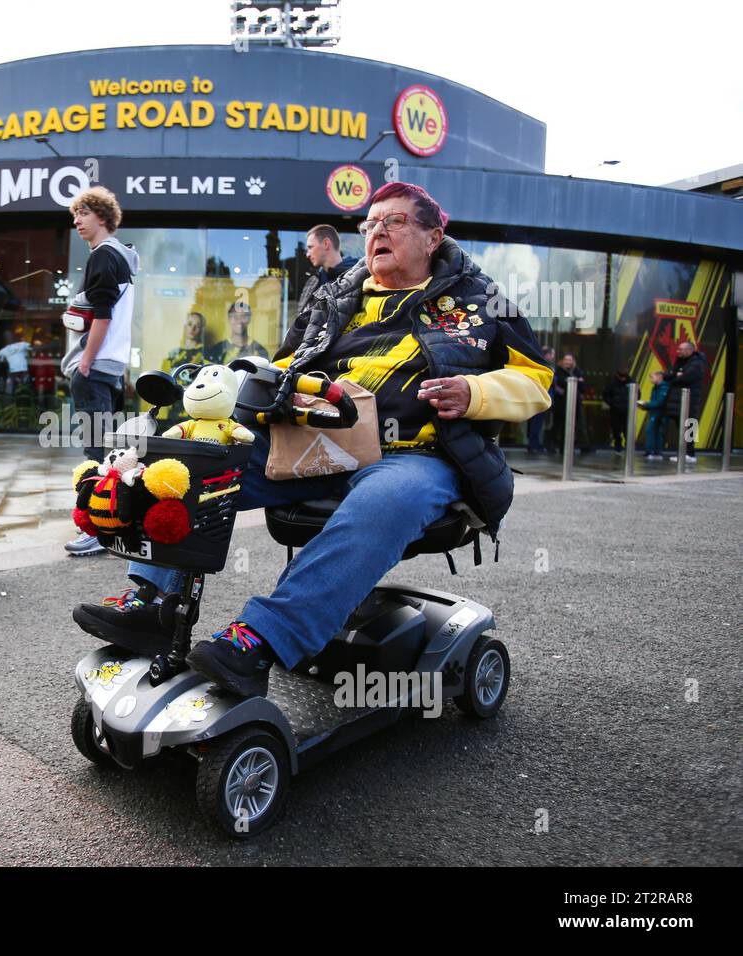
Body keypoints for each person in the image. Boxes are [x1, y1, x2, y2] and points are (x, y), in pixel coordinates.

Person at [75, 182, 552, 697]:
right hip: (319, 441)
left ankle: (260, 638)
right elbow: (283, 366)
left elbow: (537, 379)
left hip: (418, 451)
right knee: (200, 457)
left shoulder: (483, 298)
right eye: (370, 225)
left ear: (434, 236)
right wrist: (267, 395)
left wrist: (474, 392)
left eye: (393, 222)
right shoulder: (337, 295)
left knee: (384, 501)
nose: (377, 233)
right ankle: (151, 599)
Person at [61, 186, 140, 557]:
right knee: (109, 449)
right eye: (75, 214)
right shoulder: (121, 257)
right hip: (110, 367)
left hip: (95, 367)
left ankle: (94, 529)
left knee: (94, 450)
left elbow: (103, 316)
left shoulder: (103, 257)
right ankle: (112, 522)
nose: (76, 221)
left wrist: (86, 362)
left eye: (83, 214)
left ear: (103, 218)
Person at [275, 224, 360, 360]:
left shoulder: (357, 279)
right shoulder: (312, 281)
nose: (308, 254)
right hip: (305, 356)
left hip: (339, 357)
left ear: (326, 244)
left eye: (310, 247)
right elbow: (300, 321)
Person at [666, 339, 708, 463]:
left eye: (681, 349)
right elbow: (674, 374)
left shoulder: (697, 362)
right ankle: (683, 453)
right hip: (681, 400)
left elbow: (687, 377)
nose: (678, 351)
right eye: (678, 349)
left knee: (690, 425)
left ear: (690, 350)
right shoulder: (682, 361)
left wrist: (676, 378)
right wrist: (671, 376)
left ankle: (690, 453)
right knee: (682, 426)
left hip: (690, 399)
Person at [205, 301, 268, 365]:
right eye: (234, 316)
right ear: (229, 319)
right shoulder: (217, 350)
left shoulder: (260, 351)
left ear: (249, 319)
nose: (239, 321)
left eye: (243, 316)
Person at [549, 352, 588, 454]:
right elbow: (561, 384)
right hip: (560, 405)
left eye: (570, 360)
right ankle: (553, 446)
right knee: (558, 426)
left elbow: (583, 387)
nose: (568, 362)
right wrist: (576, 381)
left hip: (574, 405)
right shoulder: (558, 371)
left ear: (573, 361)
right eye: (566, 360)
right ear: (563, 361)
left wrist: (573, 382)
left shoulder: (577, 371)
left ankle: (568, 448)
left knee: (572, 428)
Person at [637, 370, 670, 459]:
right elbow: (655, 401)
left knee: (653, 431)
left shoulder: (664, 388)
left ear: (659, 377)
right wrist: (646, 406)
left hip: (660, 413)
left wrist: (646, 404)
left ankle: (653, 452)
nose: (650, 380)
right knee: (654, 431)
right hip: (654, 412)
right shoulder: (656, 388)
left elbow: (659, 402)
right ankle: (654, 452)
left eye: (652, 377)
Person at [526, 345, 554, 452]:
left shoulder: (538, 364)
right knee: (536, 424)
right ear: (547, 355)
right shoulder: (542, 366)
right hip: (540, 399)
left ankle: (534, 443)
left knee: (536, 424)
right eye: (552, 354)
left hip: (539, 398)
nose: (552, 357)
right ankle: (534, 445)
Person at [603, 369, 634, 452]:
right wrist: (612, 404)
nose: (623, 379)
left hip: (628, 410)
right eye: (621, 377)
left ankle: (629, 446)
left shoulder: (632, 382)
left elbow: (637, 394)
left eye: (624, 377)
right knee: (616, 429)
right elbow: (606, 395)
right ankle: (618, 445)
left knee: (627, 429)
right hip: (615, 410)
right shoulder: (612, 383)